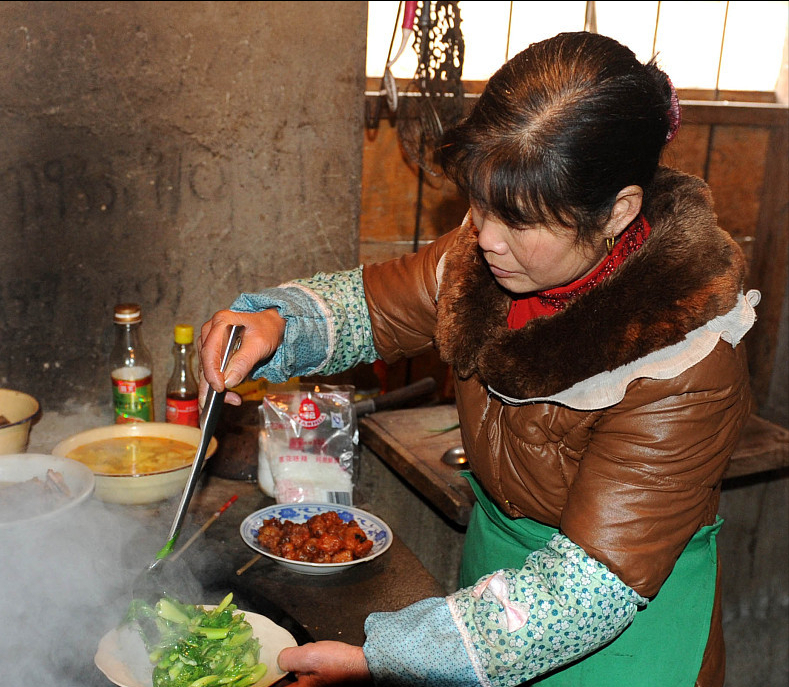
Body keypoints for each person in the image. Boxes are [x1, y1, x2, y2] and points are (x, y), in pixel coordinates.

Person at [197, 32, 759, 687]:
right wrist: (277, 324)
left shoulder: (684, 359)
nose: (484, 237)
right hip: (491, 597)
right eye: (480, 202)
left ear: (616, 211)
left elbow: (583, 589)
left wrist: (383, 657)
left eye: (517, 220)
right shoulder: (492, 252)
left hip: (615, 632)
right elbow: (372, 306)